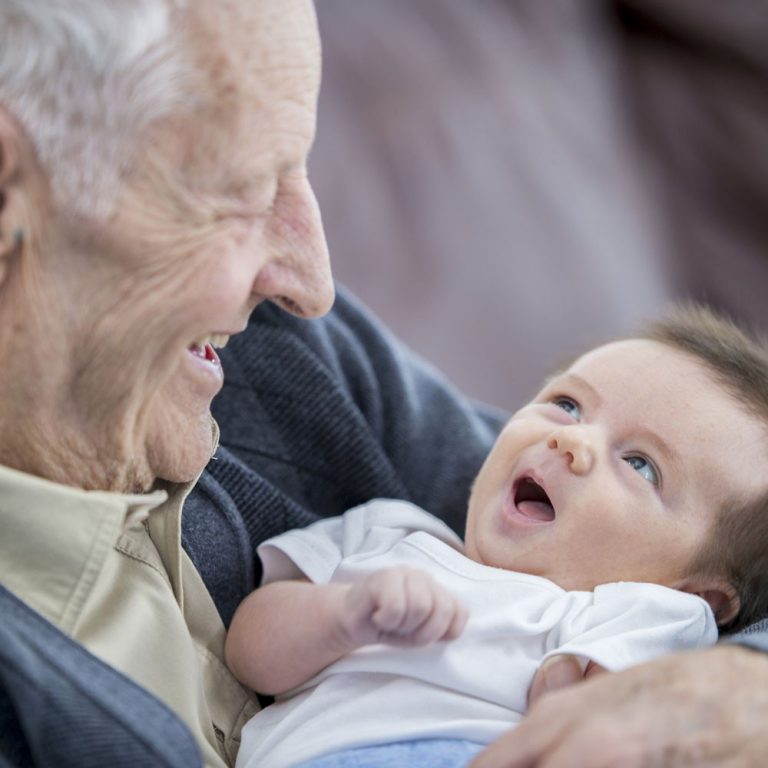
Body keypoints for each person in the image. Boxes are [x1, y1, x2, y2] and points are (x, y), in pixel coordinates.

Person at [0, 3, 766, 768]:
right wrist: (346, 615)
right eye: (242, 190)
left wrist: (743, 682)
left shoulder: (271, 350)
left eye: (640, 464)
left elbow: (737, 536)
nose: (312, 286)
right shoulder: (386, 543)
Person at [225, 305, 768, 767]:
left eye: (639, 464)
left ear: (699, 594)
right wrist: (342, 616)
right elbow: (249, 654)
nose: (572, 440)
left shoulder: (640, 616)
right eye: (568, 405)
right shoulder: (387, 532)